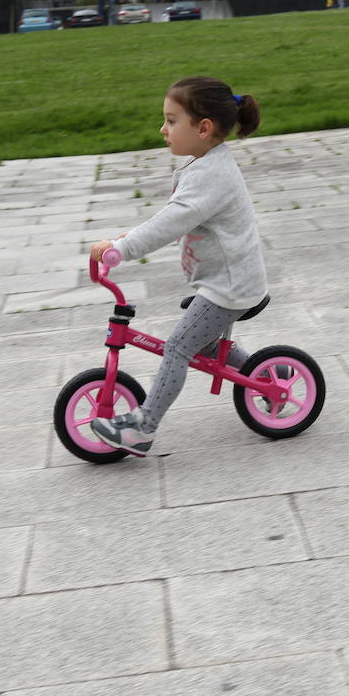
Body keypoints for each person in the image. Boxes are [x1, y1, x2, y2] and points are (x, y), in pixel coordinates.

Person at [88, 77, 266, 456]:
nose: (163, 129)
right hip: (226, 280)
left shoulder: (210, 176)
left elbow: (170, 222)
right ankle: (267, 373)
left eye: (171, 121)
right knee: (206, 345)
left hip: (229, 287)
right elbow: (174, 218)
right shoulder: (205, 165)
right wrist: (127, 238)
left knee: (178, 349)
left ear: (203, 128)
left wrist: (121, 250)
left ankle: (143, 428)